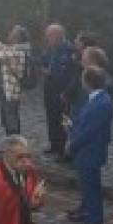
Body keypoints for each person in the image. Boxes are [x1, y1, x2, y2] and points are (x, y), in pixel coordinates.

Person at [66, 67, 112, 224]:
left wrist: (72, 143)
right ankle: (90, 222)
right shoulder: (97, 99)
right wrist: (72, 126)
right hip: (88, 151)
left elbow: (89, 132)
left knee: (91, 190)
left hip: (90, 152)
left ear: (87, 82)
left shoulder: (100, 103)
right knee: (88, 190)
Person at [38, 24, 80, 158]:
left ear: (57, 35)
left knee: (62, 119)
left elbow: (70, 74)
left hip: (62, 91)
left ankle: (62, 147)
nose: (47, 38)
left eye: (49, 35)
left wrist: (51, 73)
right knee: (51, 117)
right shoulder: (50, 48)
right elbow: (43, 61)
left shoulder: (68, 50)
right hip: (49, 89)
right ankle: (54, 144)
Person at [0, 25, 32, 136]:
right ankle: (11, 142)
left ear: (17, 37)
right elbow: (3, 47)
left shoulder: (16, 52)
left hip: (12, 91)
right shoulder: (19, 49)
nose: (10, 33)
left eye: (13, 32)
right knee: (10, 117)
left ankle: (13, 144)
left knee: (11, 120)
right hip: (9, 89)